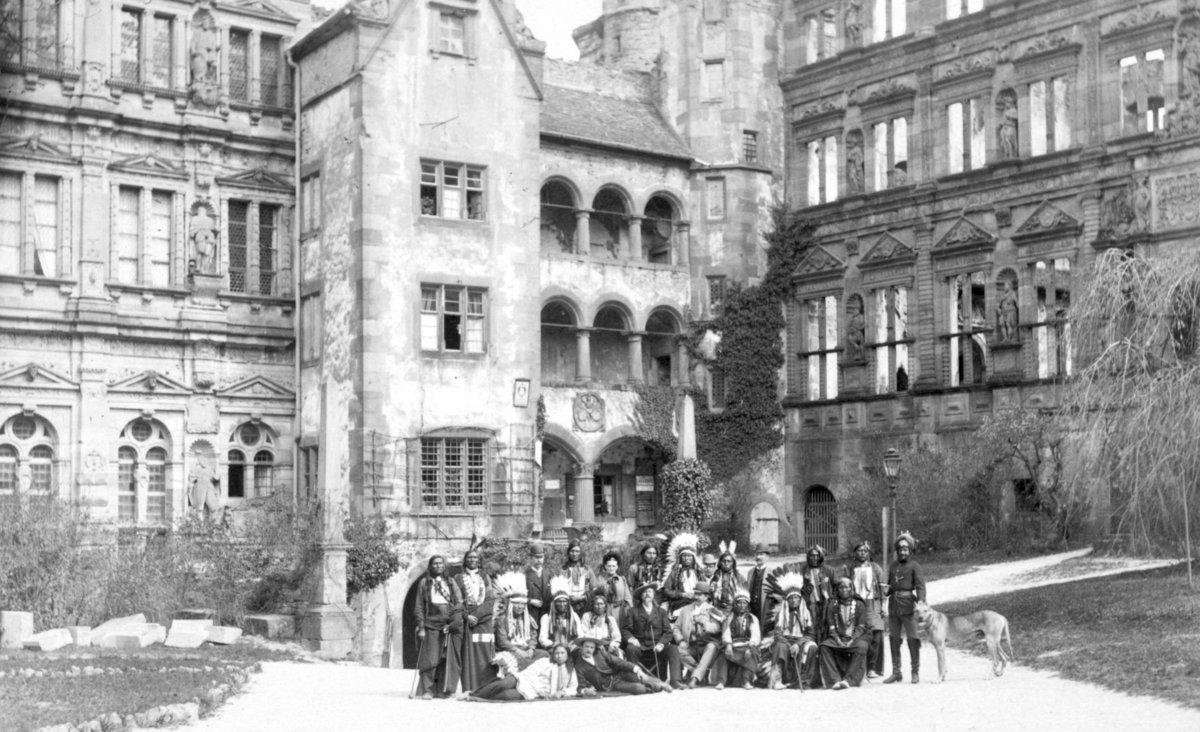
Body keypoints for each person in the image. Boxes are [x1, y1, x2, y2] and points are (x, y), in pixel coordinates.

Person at [413, 555, 464, 699]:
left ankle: (443, 689)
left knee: (445, 658)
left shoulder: (451, 582)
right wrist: (421, 627)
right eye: (435, 564)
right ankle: (427, 690)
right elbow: (419, 606)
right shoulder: (424, 583)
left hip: (448, 624)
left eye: (441, 563)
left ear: (444, 566)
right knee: (430, 658)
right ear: (430, 566)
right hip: (431, 624)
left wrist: (453, 620)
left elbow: (460, 602)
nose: (438, 566)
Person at [622, 583, 685, 689]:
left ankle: (675, 681)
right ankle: (635, 680)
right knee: (630, 649)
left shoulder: (661, 611)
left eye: (650, 591)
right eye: (644, 592)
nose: (647, 594)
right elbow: (625, 630)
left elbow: (668, 631)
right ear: (640, 596)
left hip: (657, 647)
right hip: (640, 647)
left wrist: (661, 644)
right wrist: (632, 639)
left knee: (673, 648)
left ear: (653, 594)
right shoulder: (633, 611)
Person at [884, 532, 926, 684]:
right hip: (893, 607)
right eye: (900, 549)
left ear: (910, 550)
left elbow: (921, 587)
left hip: (909, 607)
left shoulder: (915, 566)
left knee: (913, 639)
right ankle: (896, 672)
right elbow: (889, 585)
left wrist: (921, 603)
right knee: (894, 639)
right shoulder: (893, 565)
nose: (902, 552)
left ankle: (915, 672)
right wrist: (886, 590)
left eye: (906, 549)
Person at [574, 631, 670, 695]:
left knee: (639, 677)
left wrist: (637, 669)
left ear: (595, 648)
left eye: (591, 647)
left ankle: (660, 684)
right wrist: (585, 690)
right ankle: (652, 688)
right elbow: (580, 685)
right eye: (586, 646)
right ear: (581, 647)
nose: (589, 649)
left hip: (619, 674)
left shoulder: (600, 653)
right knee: (638, 688)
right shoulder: (579, 665)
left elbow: (619, 662)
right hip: (611, 686)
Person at [454, 547, 496, 693]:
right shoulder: (458, 579)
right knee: (468, 654)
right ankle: (470, 688)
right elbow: (456, 601)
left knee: (484, 653)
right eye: (470, 557)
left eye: (475, 557)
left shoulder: (485, 577)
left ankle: (486, 688)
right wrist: (466, 616)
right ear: (465, 560)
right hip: (467, 620)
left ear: (479, 561)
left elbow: (490, 599)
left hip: (483, 620)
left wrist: (477, 616)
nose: (472, 559)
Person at [471, 644, 578, 700]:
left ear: (567, 655)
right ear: (553, 654)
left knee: (507, 695)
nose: (559, 656)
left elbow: (573, 687)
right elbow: (530, 673)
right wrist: (539, 689)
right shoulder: (545, 662)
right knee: (503, 684)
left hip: (532, 691)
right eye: (557, 653)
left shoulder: (570, 669)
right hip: (523, 679)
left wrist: (563, 692)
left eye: (562, 653)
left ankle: (484, 696)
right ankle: (473, 695)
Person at [843, 541, 886, 679]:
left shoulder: (875, 568)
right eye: (859, 550)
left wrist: (883, 605)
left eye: (865, 551)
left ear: (869, 553)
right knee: (858, 634)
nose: (862, 553)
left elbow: (883, 587)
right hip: (856, 604)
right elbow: (844, 587)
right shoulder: (849, 569)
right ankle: (858, 668)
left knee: (876, 635)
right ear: (855, 553)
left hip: (874, 604)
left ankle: (872, 667)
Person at [768, 571, 817, 690]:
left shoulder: (806, 613)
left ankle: (804, 681)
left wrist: (797, 644)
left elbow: (810, 634)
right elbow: (778, 633)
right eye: (791, 598)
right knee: (780, 647)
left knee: (812, 647)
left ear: (800, 599)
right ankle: (777, 680)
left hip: (801, 640)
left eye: (797, 597)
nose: (794, 600)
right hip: (785, 640)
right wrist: (789, 644)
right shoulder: (782, 613)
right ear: (787, 600)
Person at [819, 577, 870, 689]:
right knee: (824, 647)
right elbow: (831, 627)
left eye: (847, 587)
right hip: (837, 638)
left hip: (854, 638)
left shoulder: (859, 605)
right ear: (837, 589)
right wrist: (838, 640)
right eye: (841, 587)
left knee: (862, 647)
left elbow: (861, 627)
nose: (844, 590)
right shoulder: (832, 605)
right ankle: (835, 680)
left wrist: (852, 640)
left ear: (851, 589)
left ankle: (849, 680)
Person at [673, 581, 724, 687]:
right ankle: (702, 672)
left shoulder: (712, 609)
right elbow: (676, 628)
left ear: (706, 597)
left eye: (699, 595)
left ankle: (695, 678)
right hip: (690, 645)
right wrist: (681, 640)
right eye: (695, 594)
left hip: (706, 644)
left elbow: (717, 628)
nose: (696, 597)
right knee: (676, 650)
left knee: (712, 646)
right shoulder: (685, 610)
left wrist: (705, 623)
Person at [492, 571, 544, 669]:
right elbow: (502, 642)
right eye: (517, 604)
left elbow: (533, 636)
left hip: (526, 648)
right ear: (511, 605)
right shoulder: (502, 619)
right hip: (510, 650)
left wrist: (531, 649)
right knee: (514, 660)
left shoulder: (528, 619)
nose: (520, 607)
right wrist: (518, 651)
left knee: (544, 655)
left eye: (523, 604)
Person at [713, 589, 760, 690]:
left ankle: (746, 681)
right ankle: (721, 681)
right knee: (723, 654)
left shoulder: (753, 618)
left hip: (747, 644)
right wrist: (728, 645)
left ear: (747, 605)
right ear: (735, 604)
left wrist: (750, 647)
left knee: (752, 654)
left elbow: (755, 635)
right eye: (739, 603)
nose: (742, 605)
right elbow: (726, 632)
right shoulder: (729, 617)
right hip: (732, 644)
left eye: (744, 603)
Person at [802, 544, 836, 640]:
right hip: (810, 603)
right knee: (812, 626)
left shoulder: (829, 570)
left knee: (825, 626)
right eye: (812, 555)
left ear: (821, 556)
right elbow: (801, 589)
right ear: (809, 556)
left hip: (825, 602)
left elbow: (836, 586)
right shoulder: (804, 570)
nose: (815, 558)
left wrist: (831, 600)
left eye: (817, 555)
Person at [662, 533, 702, 613]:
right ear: (680, 558)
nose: (687, 558)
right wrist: (682, 594)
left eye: (689, 556)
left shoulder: (699, 573)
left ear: (693, 558)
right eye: (684, 556)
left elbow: (705, 589)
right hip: (681, 604)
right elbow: (667, 591)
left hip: (698, 603)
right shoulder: (675, 573)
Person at [539, 576, 582, 651]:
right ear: (554, 604)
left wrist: (573, 644)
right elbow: (542, 638)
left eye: (564, 601)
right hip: (553, 649)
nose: (562, 604)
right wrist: (555, 645)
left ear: (568, 603)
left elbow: (581, 635)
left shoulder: (574, 616)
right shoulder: (546, 618)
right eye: (559, 601)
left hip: (571, 648)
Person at [596, 551, 633, 626]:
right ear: (605, 566)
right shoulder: (600, 580)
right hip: (606, 610)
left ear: (617, 567)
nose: (611, 568)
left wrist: (630, 610)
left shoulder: (622, 579)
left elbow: (628, 597)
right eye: (609, 566)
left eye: (613, 566)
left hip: (620, 610)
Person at [561, 539, 595, 616]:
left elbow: (594, 588)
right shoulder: (563, 570)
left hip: (585, 605)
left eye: (577, 551)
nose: (574, 554)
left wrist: (583, 597)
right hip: (567, 604)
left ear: (581, 553)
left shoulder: (587, 570)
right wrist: (570, 598)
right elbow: (560, 589)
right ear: (568, 553)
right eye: (572, 551)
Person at [745, 543, 772, 633]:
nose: (758, 557)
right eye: (757, 554)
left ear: (767, 557)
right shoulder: (750, 572)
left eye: (761, 554)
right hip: (752, 607)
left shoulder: (772, 573)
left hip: (764, 607)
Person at [710, 541, 744, 611]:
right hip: (717, 607)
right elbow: (711, 592)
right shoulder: (716, 575)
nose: (726, 563)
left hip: (733, 607)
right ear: (720, 562)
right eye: (724, 561)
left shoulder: (738, 576)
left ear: (733, 563)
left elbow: (743, 594)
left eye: (729, 561)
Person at [524, 544, 553, 623]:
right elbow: (517, 597)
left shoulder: (548, 575)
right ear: (531, 558)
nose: (539, 560)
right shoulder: (525, 575)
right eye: (536, 557)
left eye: (541, 557)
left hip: (546, 615)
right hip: (530, 615)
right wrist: (530, 601)